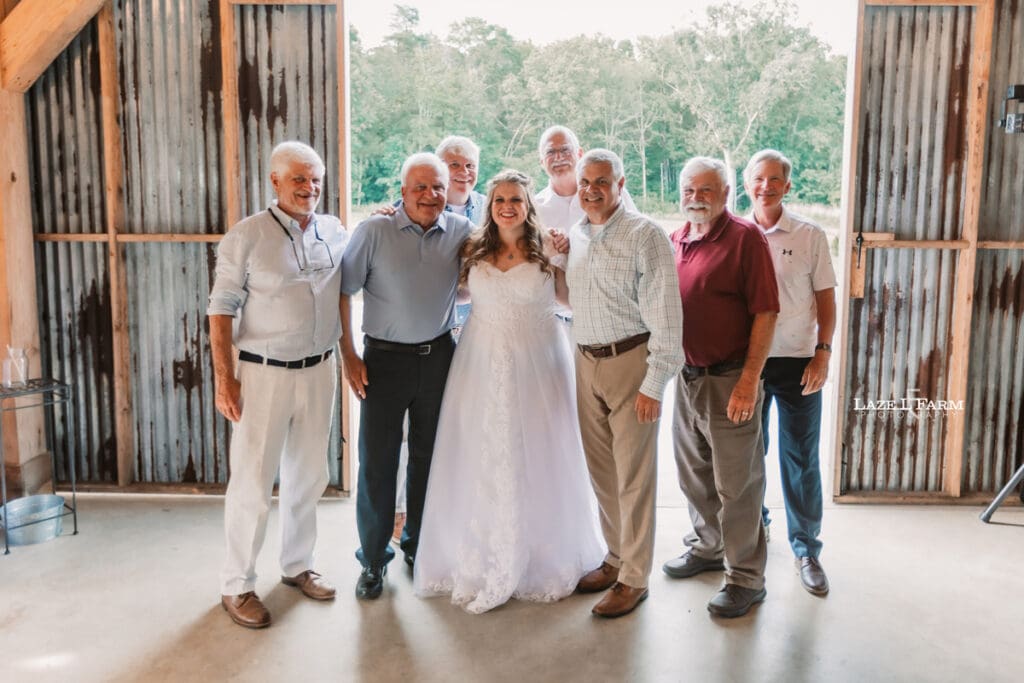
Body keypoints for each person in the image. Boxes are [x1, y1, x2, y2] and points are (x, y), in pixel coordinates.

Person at [414, 170, 605, 613]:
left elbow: (567, 300)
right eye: (500, 198)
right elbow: (459, 293)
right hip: (480, 361)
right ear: (490, 204)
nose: (507, 206)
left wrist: (570, 260)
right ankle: (479, 553)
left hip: (538, 361)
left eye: (516, 199)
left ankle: (540, 553)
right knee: (481, 452)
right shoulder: (473, 248)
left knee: (540, 450)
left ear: (527, 204)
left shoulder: (549, 248)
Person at [208, 141, 347, 628]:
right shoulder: (247, 235)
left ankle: (297, 566)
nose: (309, 188)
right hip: (262, 372)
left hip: (318, 369)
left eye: (315, 179)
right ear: (275, 181)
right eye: (299, 179)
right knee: (251, 480)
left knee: (309, 475)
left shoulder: (334, 231)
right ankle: (237, 585)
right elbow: (221, 309)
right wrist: (225, 381)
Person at [340, 152, 474, 600]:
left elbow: (503, 250)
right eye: (419, 187)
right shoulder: (374, 231)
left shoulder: (460, 231)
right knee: (377, 463)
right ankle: (374, 559)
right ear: (401, 193)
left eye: (438, 186)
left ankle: (418, 545)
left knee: (428, 459)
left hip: (439, 357)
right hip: (382, 361)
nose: (430, 195)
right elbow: (343, 291)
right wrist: (348, 354)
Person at [567, 149, 684, 618]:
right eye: (584, 183)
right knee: (603, 472)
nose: (591, 190)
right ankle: (615, 557)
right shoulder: (576, 234)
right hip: (585, 361)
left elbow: (667, 318)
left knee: (634, 476)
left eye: (601, 181)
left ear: (620, 182)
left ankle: (635, 578)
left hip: (630, 363)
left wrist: (654, 383)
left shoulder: (646, 234)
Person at [663, 156, 779, 619]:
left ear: (727, 194)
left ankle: (746, 578)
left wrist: (749, 380)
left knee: (739, 484)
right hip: (686, 377)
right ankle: (708, 547)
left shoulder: (744, 239)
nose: (696, 198)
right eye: (689, 190)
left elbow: (766, 312)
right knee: (694, 475)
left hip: (731, 378)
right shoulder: (676, 239)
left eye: (706, 190)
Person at [744, 149, 836, 596]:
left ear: (787, 186)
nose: (766, 185)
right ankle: (754, 527)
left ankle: (806, 548)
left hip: (798, 359)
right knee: (747, 453)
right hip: (747, 364)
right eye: (759, 178)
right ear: (747, 184)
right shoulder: (736, 232)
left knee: (800, 457)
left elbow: (826, 301)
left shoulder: (808, 234)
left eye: (775, 178)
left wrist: (822, 353)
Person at [534, 125, 636, 230]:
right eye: (550, 152)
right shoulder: (534, 208)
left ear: (580, 154)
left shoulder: (613, 193)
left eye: (565, 149)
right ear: (541, 161)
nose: (559, 157)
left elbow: (636, 231)